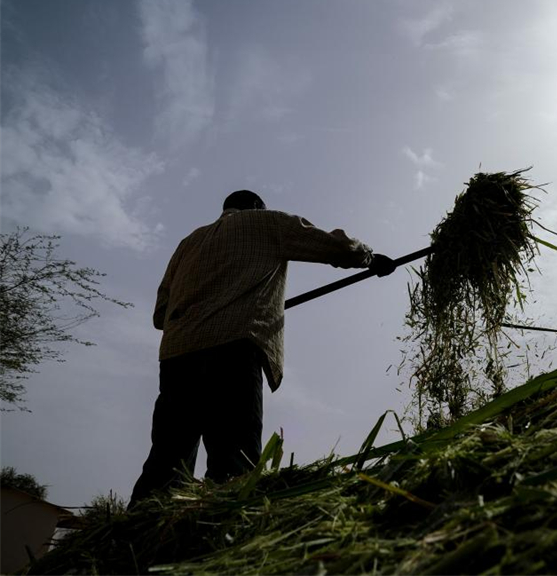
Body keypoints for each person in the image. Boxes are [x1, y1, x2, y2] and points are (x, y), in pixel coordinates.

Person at [128, 190, 394, 508]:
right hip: (232, 348)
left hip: (177, 357)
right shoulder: (265, 222)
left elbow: (161, 316)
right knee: (234, 458)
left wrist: (207, 301)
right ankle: (223, 533)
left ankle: (137, 528)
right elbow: (334, 246)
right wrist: (370, 259)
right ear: (256, 207)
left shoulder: (188, 243)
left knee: (167, 459)